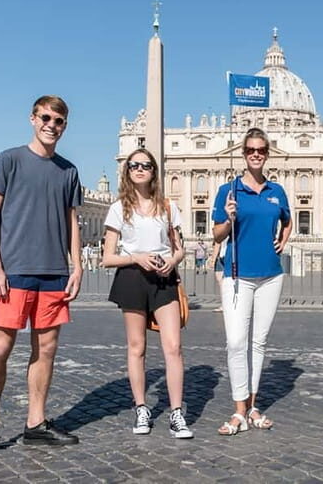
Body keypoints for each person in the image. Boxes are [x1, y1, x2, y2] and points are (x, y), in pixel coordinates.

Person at [0, 96, 82, 458]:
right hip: (13, 271)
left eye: (59, 120)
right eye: (46, 117)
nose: (51, 124)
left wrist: (77, 264)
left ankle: (35, 423)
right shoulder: (10, 160)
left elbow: (71, 221)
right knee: (0, 347)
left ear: (64, 126)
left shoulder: (69, 170)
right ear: (33, 118)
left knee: (46, 350)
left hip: (53, 273)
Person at [102, 149, 193, 439]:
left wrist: (173, 261)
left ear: (154, 171)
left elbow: (180, 248)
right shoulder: (118, 208)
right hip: (132, 277)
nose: (139, 169)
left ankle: (177, 412)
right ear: (127, 171)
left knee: (173, 346)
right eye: (134, 166)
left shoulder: (168, 207)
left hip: (164, 279)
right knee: (136, 347)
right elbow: (107, 257)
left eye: (145, 165)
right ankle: (142, 407)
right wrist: (136, 257)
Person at [212, 127, 292, 435]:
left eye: (261, 150)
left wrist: (283, 240)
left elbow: (288, 220)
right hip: (236, 274)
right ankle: (238, 410)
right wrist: (229, 218)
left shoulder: (276, 192)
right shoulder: (228, 191)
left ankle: (253, 406)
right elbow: (216, 235)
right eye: (250, 150)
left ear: (267, 154)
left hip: (271, 274)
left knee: (258, 343)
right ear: (243, 154)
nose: (256, 154)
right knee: (236, 342)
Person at [210, 239, 227, 312]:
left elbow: (218, 242)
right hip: (229, 255)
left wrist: (213, 259)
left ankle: (224, 305)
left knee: (221, 282)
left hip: (222, 255)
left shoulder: (220, 228)